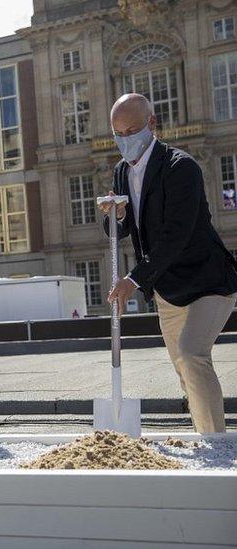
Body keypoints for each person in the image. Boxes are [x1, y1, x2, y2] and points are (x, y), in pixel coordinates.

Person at [99, 93, 237, 434]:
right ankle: (204, 433)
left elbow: (176, 235)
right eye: (118, 133)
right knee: (184, 370)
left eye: (132, 130)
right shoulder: (121, 172)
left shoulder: (181, 167)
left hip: (209, 283)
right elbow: (122, 229)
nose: (125, 140)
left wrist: (133, 279)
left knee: (192, 354)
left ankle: (216, 445)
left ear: (151, 124)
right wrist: (114, 216)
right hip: (168, 291)